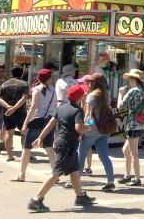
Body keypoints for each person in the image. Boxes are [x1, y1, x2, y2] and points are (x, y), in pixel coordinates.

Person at [26, 84, 95, 212]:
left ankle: (80, 196)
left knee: (75, 171)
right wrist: (89, 126)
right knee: (56, 173)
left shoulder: (62, 107)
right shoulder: (78, 110)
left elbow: (51, 123)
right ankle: (36, 199)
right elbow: (79, 128)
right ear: (80, 97)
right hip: (67, 145)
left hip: (61, 142)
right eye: (83, 94)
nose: (85, 95)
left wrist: (41, 137)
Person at [13, 68, 56, 182]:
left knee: (27, 148)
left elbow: (33, 108)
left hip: (37, 120)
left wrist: (25, 123)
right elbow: (55, 107)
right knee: (49, 148)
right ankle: (55, 174)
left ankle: (22, 175)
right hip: (49, 121)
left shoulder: (36, 89)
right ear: (48, 79)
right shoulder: (54, 90)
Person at [77, 73, 115, 190]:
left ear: (93, 83)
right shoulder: (106, 95)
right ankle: (110, 181)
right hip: (104, 130)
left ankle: (75, 180)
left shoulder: (91, 96)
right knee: (104, 155)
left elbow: (88, 116)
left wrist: (84, 130)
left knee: (81, 154)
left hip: (91, 131)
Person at [117, 69, 144, 186]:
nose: (128, 81)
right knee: (125, 150)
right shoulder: (143, 91)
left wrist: (120, 94)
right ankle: (127, 175)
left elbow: (120, 106)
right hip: (141, 124)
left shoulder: (133, 91)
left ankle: (137, 178)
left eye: (130, 78)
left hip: (133, 124)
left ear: (134, 79)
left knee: (133, 153)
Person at [0, 66, 28, 162]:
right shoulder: (24, 84)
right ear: (22, 74)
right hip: (21, 112)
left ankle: (9, 155)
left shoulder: (4, 84)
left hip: (8, 112)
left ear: (11, 73)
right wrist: (14, 108)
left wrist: (8, 107)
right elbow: (24, 98)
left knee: (9, 133)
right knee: (24, 133)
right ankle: (25, 155)